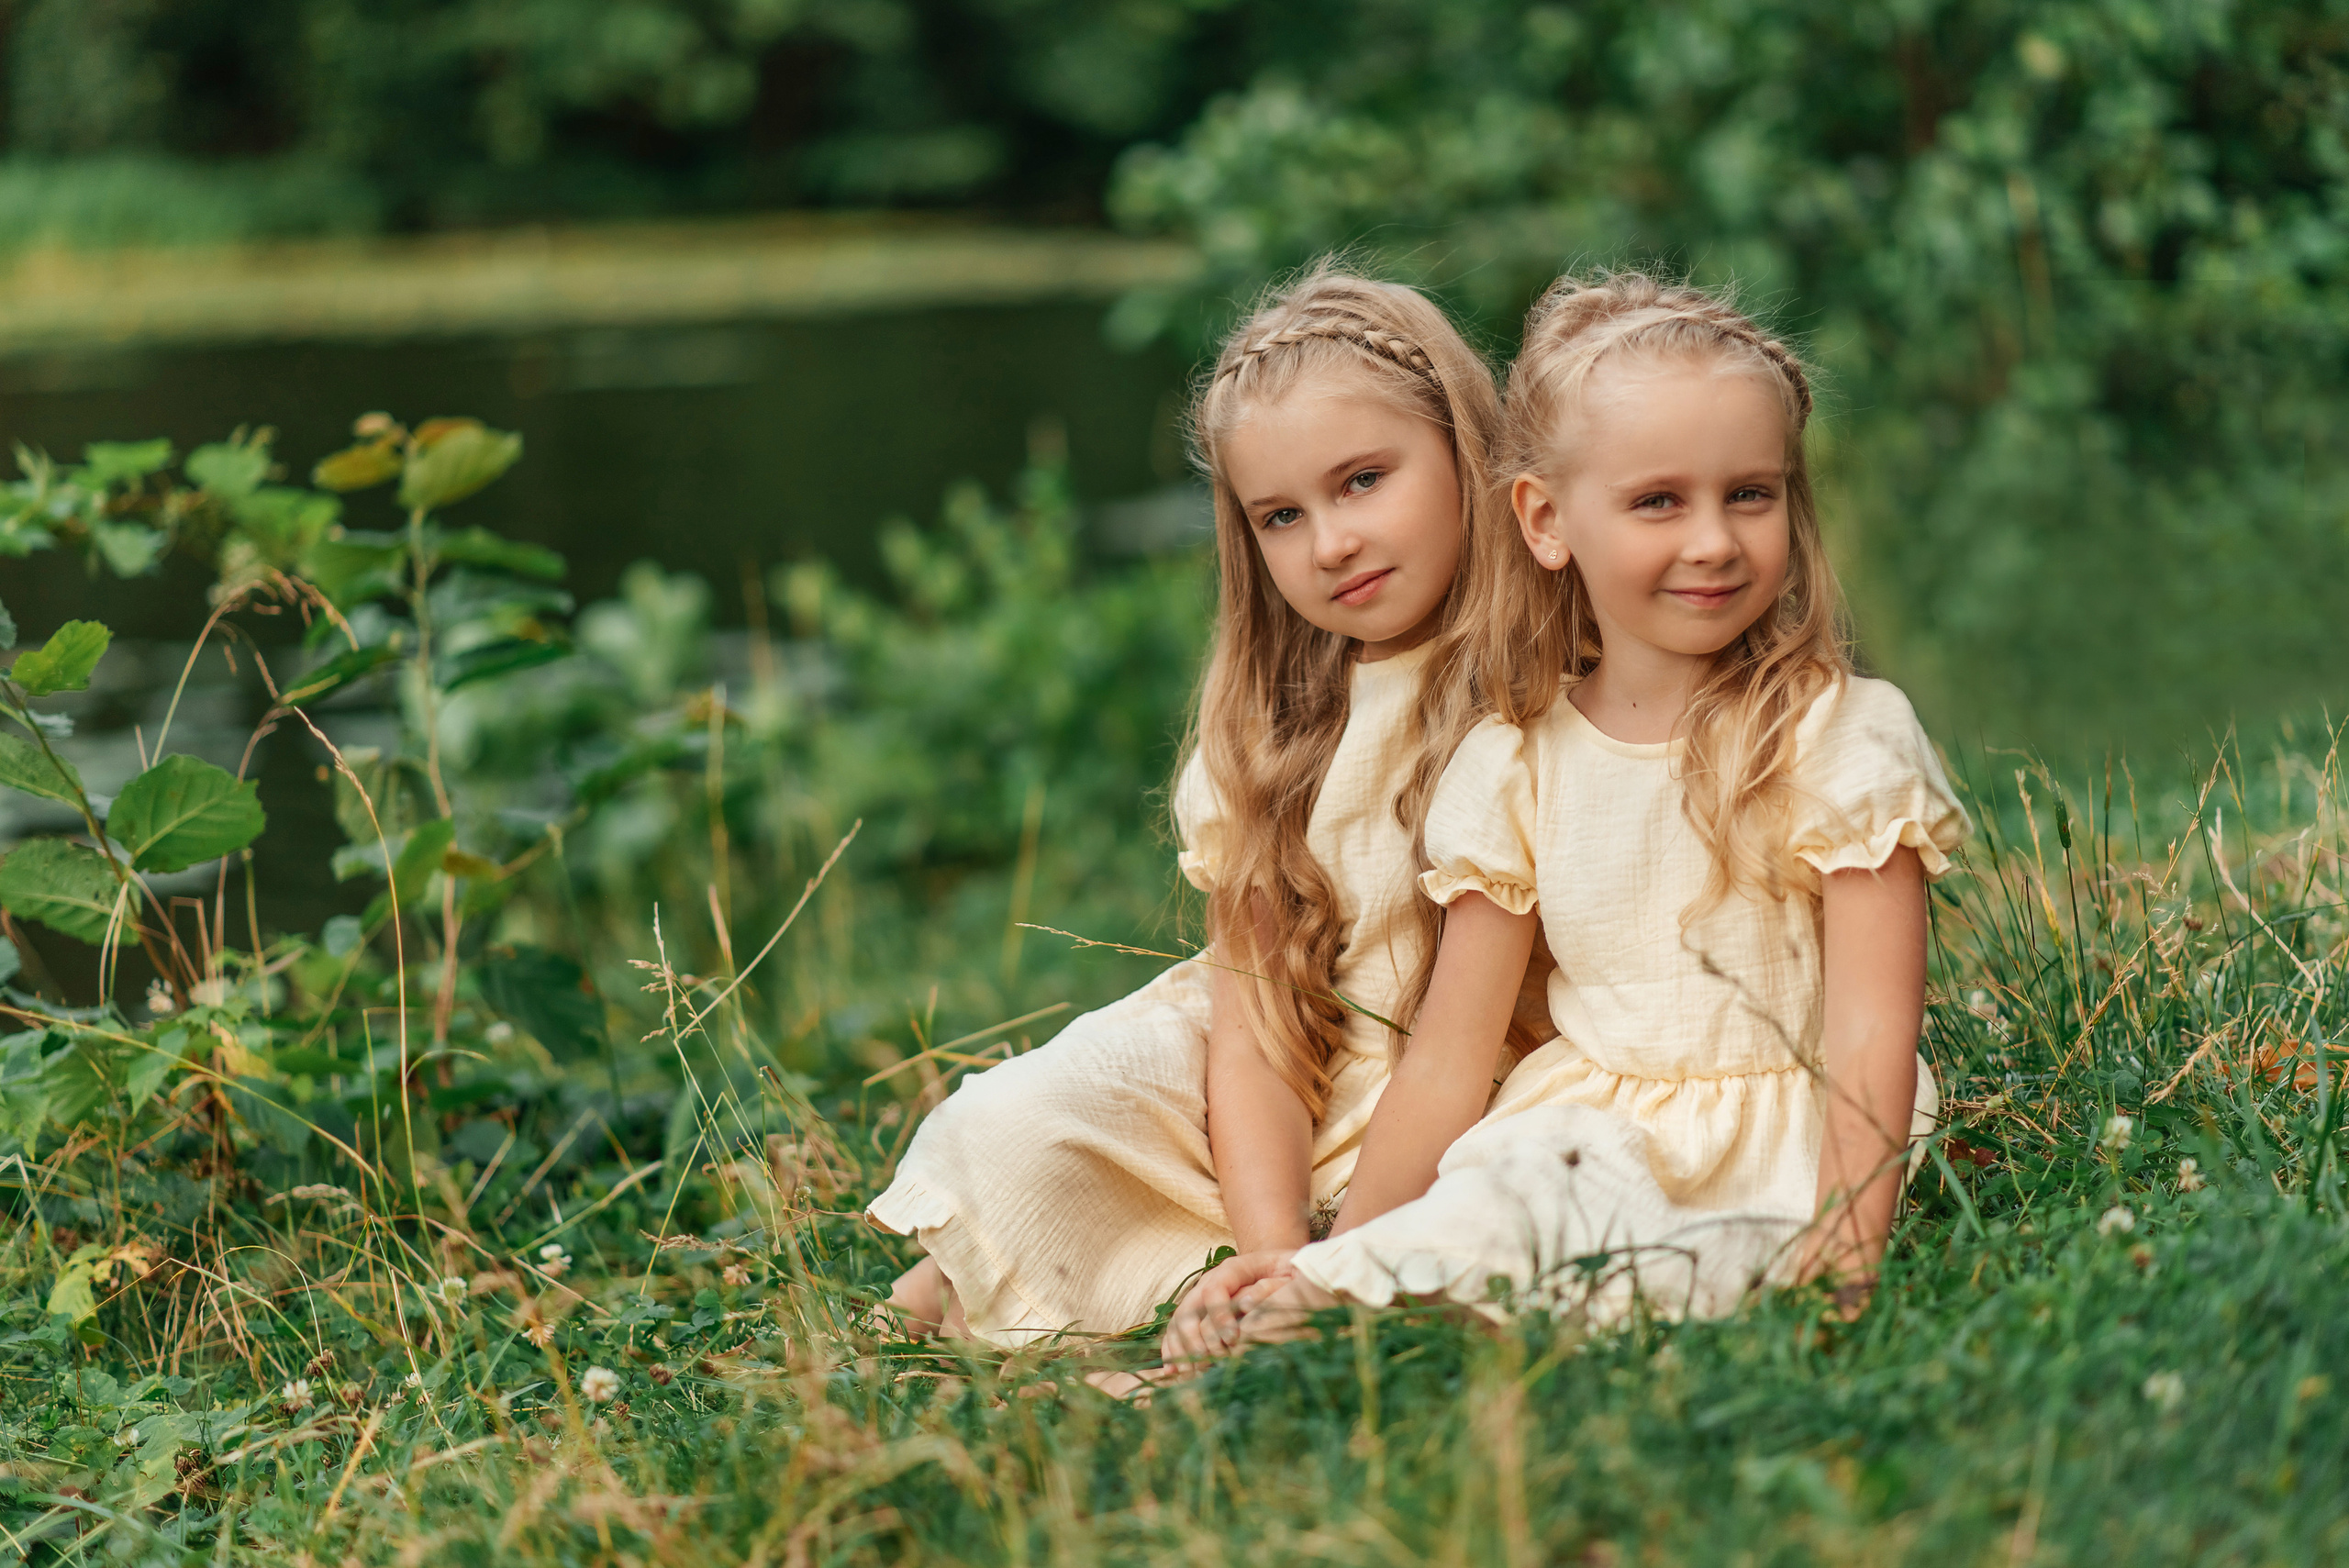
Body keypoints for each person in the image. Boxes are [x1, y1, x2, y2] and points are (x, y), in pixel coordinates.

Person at [1199, 271, 1972, 1345]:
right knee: (1506, 1192)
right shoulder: (1517, 761)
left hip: (1766, 1134)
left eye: (1749, 494)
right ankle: (1316, 1307)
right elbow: (1450, 1054)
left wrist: (1843, 1259)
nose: (1712, 540)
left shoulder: (1836, 737)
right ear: (1547, 519)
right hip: (1571, 1125)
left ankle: (1368, 1306)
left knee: (1545, 1222)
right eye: (1661, 501)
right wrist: (1340, 1249)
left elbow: (1872, 1029)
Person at [868, 265, 1547, 1347]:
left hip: (1485, 1085)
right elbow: (1258, 1037)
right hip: (1291, 1098)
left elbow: (1458, 1048)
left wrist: (1337, 1257)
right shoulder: (1274, 738)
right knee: (1027, 1114)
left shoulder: (1555, 692)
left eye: (1364, 480)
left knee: (1541, 1169)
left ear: (1465, 450)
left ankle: (1202, 1281)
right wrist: (1272, 1243)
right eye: (1282, 514)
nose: (1329, 543)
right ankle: (1194, 1272)